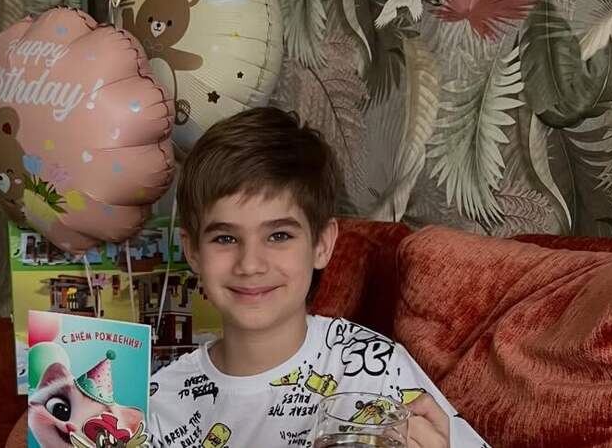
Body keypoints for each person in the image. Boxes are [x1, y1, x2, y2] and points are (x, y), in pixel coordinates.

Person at [148, 107, 489, 447]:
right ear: (193, 251)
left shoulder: (378, 371)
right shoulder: (158, 406)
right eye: (225, 238)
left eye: (279, 236)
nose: (250, 265)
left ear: (322, 245)